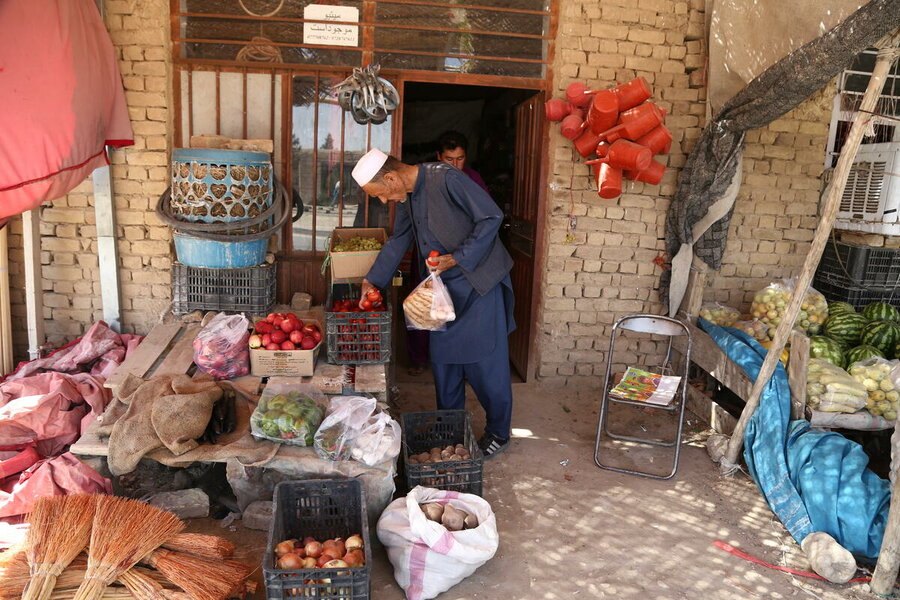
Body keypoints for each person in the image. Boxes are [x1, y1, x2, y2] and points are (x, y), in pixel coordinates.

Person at [351, 148, 515, 458]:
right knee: (444, 364)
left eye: (381, 194)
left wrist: (459, 257)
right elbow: (400, 238)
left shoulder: (446, 178)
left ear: (391, 177)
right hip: (444, 289)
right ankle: (449, 427)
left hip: (479, 284)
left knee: (485, 364)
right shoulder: (407, 196)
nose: (384, 201)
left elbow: (491, 216)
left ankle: (498, 431)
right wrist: (374, 279)